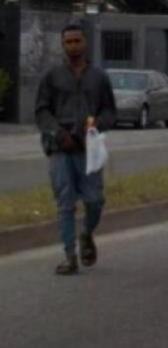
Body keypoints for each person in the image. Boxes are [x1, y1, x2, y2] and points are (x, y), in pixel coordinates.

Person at [35, 22, 117, 276]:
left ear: (85, 43)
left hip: (87, 150)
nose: (73, 46)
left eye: (77, 41)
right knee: (65, 203)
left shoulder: (99, 77)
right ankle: (69, 256)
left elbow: (109, 112)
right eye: (68, 42)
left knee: (95, 200)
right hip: (60, 148)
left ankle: (86, 234)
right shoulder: (52, 76)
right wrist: (57, 133)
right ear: (62, 45)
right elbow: (41, 111)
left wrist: (94, 128)